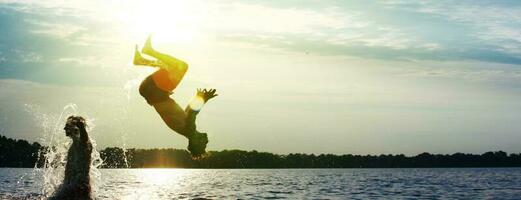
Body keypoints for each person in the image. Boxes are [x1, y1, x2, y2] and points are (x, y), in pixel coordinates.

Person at [133, 36, 217, 157]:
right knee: (171, 67)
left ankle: (149, 51)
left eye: (204, 145)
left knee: (181, 66)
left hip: (155, 90)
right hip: (151, 90)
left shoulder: (190, 130)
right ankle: (141, 60)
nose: (207, 141)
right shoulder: (186, 129)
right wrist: (198, 97)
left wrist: (204, 99)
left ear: (196, 142)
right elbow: (189, 111)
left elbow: (193, 113)